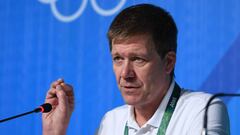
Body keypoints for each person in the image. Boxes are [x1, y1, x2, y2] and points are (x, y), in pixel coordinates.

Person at [42, 4, 230, 135]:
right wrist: (54, 133)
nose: (125, 74)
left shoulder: (201, 109)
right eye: (118, 59)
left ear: (168, 62)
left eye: (138, 59)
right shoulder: (111, 121)